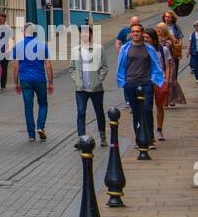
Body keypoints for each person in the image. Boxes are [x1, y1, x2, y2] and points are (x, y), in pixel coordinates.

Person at [116, 23, 164, 151]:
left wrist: (155, 79)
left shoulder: (149, 48)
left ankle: (149, 138)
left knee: (147, 110)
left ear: (142, 33)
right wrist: (123, 81)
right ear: (130, 34)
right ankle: (139, 138)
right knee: (136, 111)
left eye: (138, 31)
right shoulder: (125, 48)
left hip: (146, 83)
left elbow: (156, 64)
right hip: (131, 83)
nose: (135, 34)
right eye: (133, 32)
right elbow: (121, 65)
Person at [13, 24, 53, 141]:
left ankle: (31, 134)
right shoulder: (42, 45)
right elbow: (48, 64)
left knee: (28, 106)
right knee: (43, 104)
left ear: (24, 31)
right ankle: (40, 126)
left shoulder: (19, 46)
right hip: (40, 79)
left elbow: (15, 67)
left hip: (25, 80)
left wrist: (16, 83)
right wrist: (50, 82)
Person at [70, 25, 108, 146]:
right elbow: (71, 68)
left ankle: (102, 136)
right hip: (81, 88)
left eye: (87, 33)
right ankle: (81, 139)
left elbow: (104, 67)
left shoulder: (99, 48)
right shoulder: (76, 50)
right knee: (81, 113)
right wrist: (77, 80)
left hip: (96, 89)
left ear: (91, 35)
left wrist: (98, 80)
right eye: (82, 33)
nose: (84, 35)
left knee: (99, 112)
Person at [152, 24, 173, 140]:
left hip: (160, 80)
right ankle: (149, 131)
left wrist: (167, 79)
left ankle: (159, 129)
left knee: (160, 106)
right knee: (147, 107)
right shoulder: (145, 49)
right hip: (148, 81)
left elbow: (168, 65)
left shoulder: (163, 49)